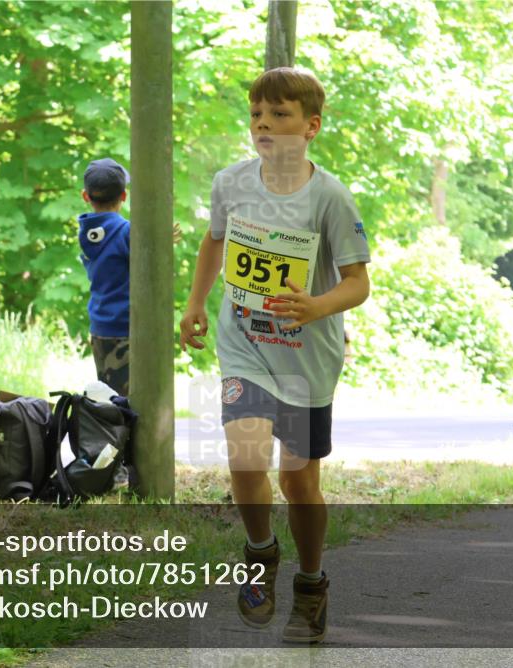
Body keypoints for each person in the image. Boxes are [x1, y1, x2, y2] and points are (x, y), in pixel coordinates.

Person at [179, 67, 371, 643]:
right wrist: (195, 303)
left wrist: (316, 306)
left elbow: (358, 282)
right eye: (257, 114)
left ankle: (311, 585)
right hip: (244, 346)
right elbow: (215, 240)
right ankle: (260, 551)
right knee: (244, 455)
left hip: (306, 357)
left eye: (280, 114)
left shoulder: (331, 197)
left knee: (299, 481)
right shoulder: (231, 183)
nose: (264, 123)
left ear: (311, 126)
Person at [77, 158, 181, 397]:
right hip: (127, 330)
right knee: (131, 404)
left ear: (86, 196)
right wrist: (162, 242)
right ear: (124, 197)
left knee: (109, 398)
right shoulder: (127, 232)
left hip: (101, 328)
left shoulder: (87, 233)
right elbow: (151, 259)